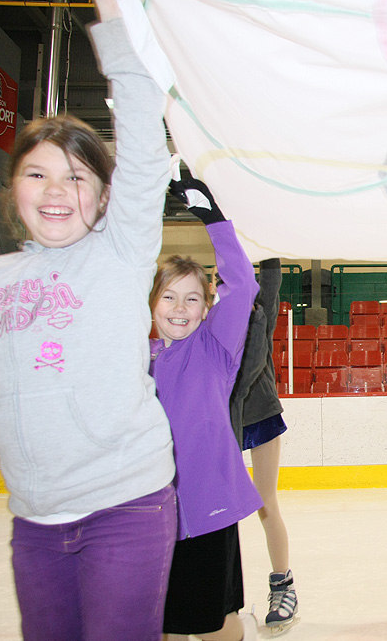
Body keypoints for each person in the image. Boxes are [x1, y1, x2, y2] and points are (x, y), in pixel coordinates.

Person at [0, 0, 177, 639]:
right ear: (12, 188)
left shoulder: (119, 253)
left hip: (125, 505)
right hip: (35, 520)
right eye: (38, 174)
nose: (56, 192)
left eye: (77, 178)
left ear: (106, 197)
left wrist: (114, 20)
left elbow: (143, 150)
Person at [151, 178, 264, 641]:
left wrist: (212, 219)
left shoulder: (214, 349)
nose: (179, 308)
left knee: (214, 625)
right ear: (152, 301)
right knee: (165, 624)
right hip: (151, 512)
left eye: (192, 298)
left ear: (206, 309)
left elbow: (244, 284)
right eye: (169, 296)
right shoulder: (138, 357)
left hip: (205, 512)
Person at [229, 258, 300, 635]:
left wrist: (266, 246)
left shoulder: (259, 316)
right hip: (221, 423)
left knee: (264, 503)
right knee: (218, 509)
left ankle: (282, 586)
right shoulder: (206, 322)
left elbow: (269, 285)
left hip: (260, 414)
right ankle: (220, 597)